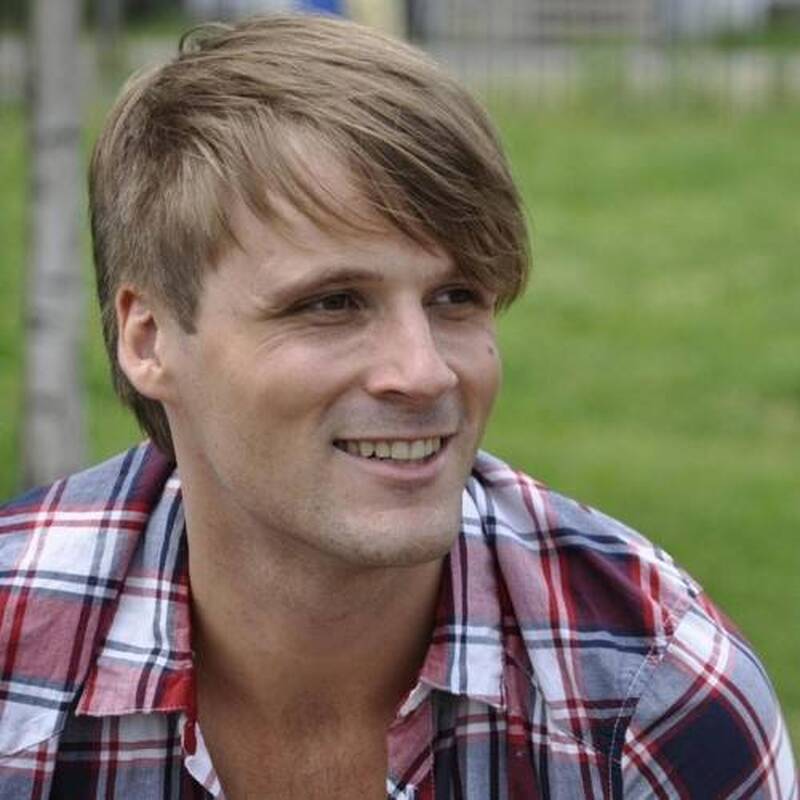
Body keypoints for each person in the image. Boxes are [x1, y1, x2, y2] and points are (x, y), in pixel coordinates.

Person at [0, 14, 795, 800]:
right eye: (332, 303)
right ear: (149, 339)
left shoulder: (653, 694)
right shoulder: (17, 649)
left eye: (457, 297)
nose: (423, 373)